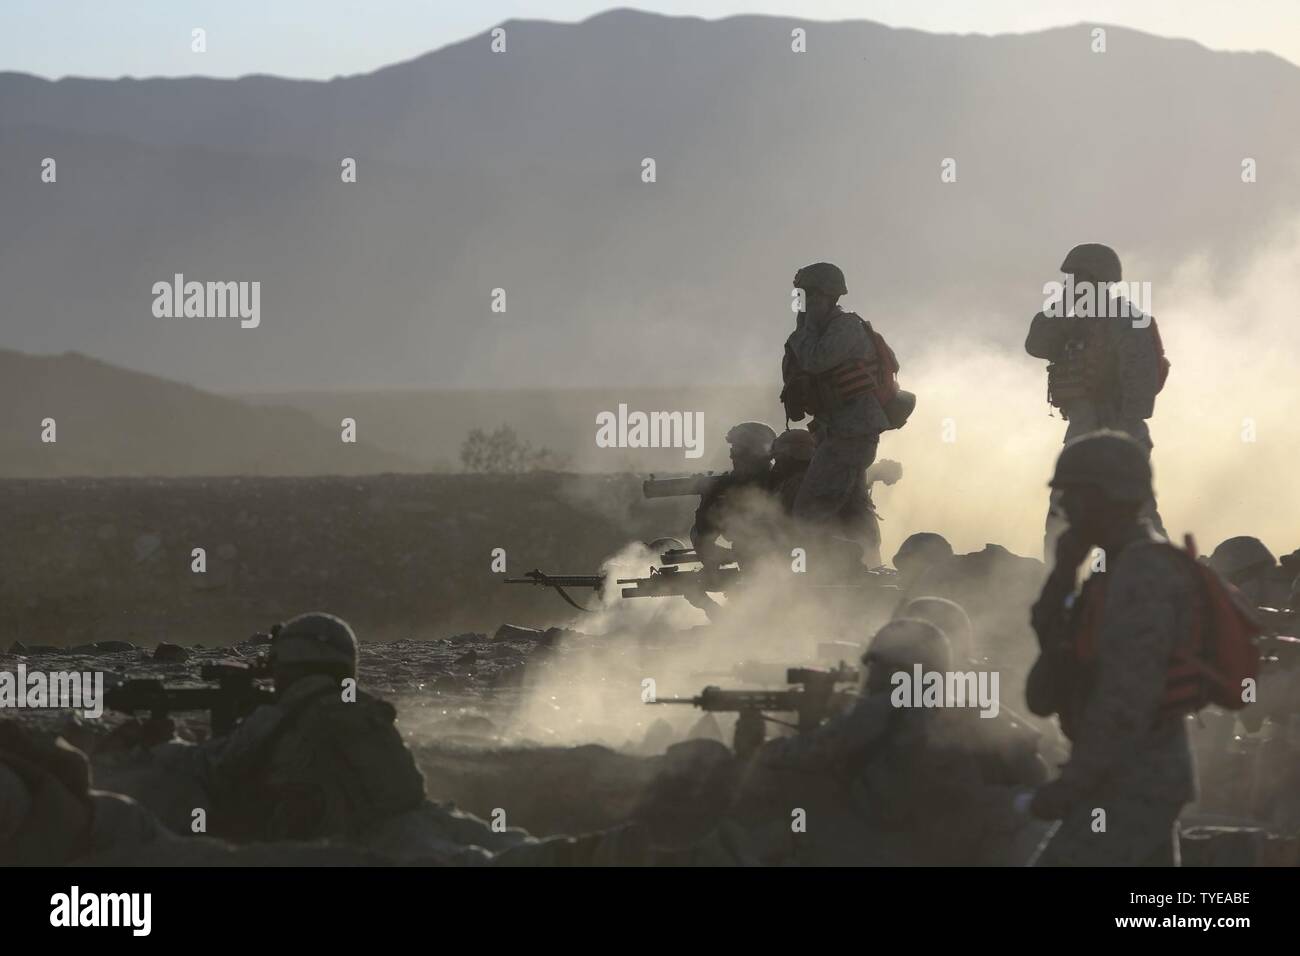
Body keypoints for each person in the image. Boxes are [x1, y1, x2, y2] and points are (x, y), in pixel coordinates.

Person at [1025, 431, 1196, 866]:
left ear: (1108, 496)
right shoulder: (1114, 566)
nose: (1065, 509)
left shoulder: (1144, 572)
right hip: (1131, 775)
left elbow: (1126, 697)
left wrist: (1075, 782)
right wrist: (1063, 572)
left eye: (1074, 495)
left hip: (1134, 777)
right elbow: (1052, 649)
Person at [1025, 243, 1168, 554]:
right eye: (1071, 277)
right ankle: (1059, 585)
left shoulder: (1127, 319)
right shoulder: (1072, 321)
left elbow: (1140, 381)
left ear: (1099, 278)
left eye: (1079, 276)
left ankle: (1168, 575)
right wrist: (1063, 308)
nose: (1072, 282)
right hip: (1081, 430)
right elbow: (1036, 344)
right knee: (1062, 513)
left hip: (1121, 430)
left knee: (1138, 512)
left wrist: (1122, 434)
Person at [781, 262, 908, 571]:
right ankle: (867, 567)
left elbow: (815, 360)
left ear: (824, 295)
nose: (801, 304)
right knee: (854, 509)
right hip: (838, 432)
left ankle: (832, 572)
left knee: (808, 512)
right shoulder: (822, 329)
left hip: (851, 433)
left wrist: (805, 328)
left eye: (806, 296)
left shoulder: (845, 327)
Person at [689, 421, 778, 574]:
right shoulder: (736, 484)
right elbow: (705, 533)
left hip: (774, 566)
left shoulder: (779, 484)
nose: (732, 455)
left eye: (737, 449)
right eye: (732, 449)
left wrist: (709, 498)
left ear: (755, 452)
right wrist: (708, 498)